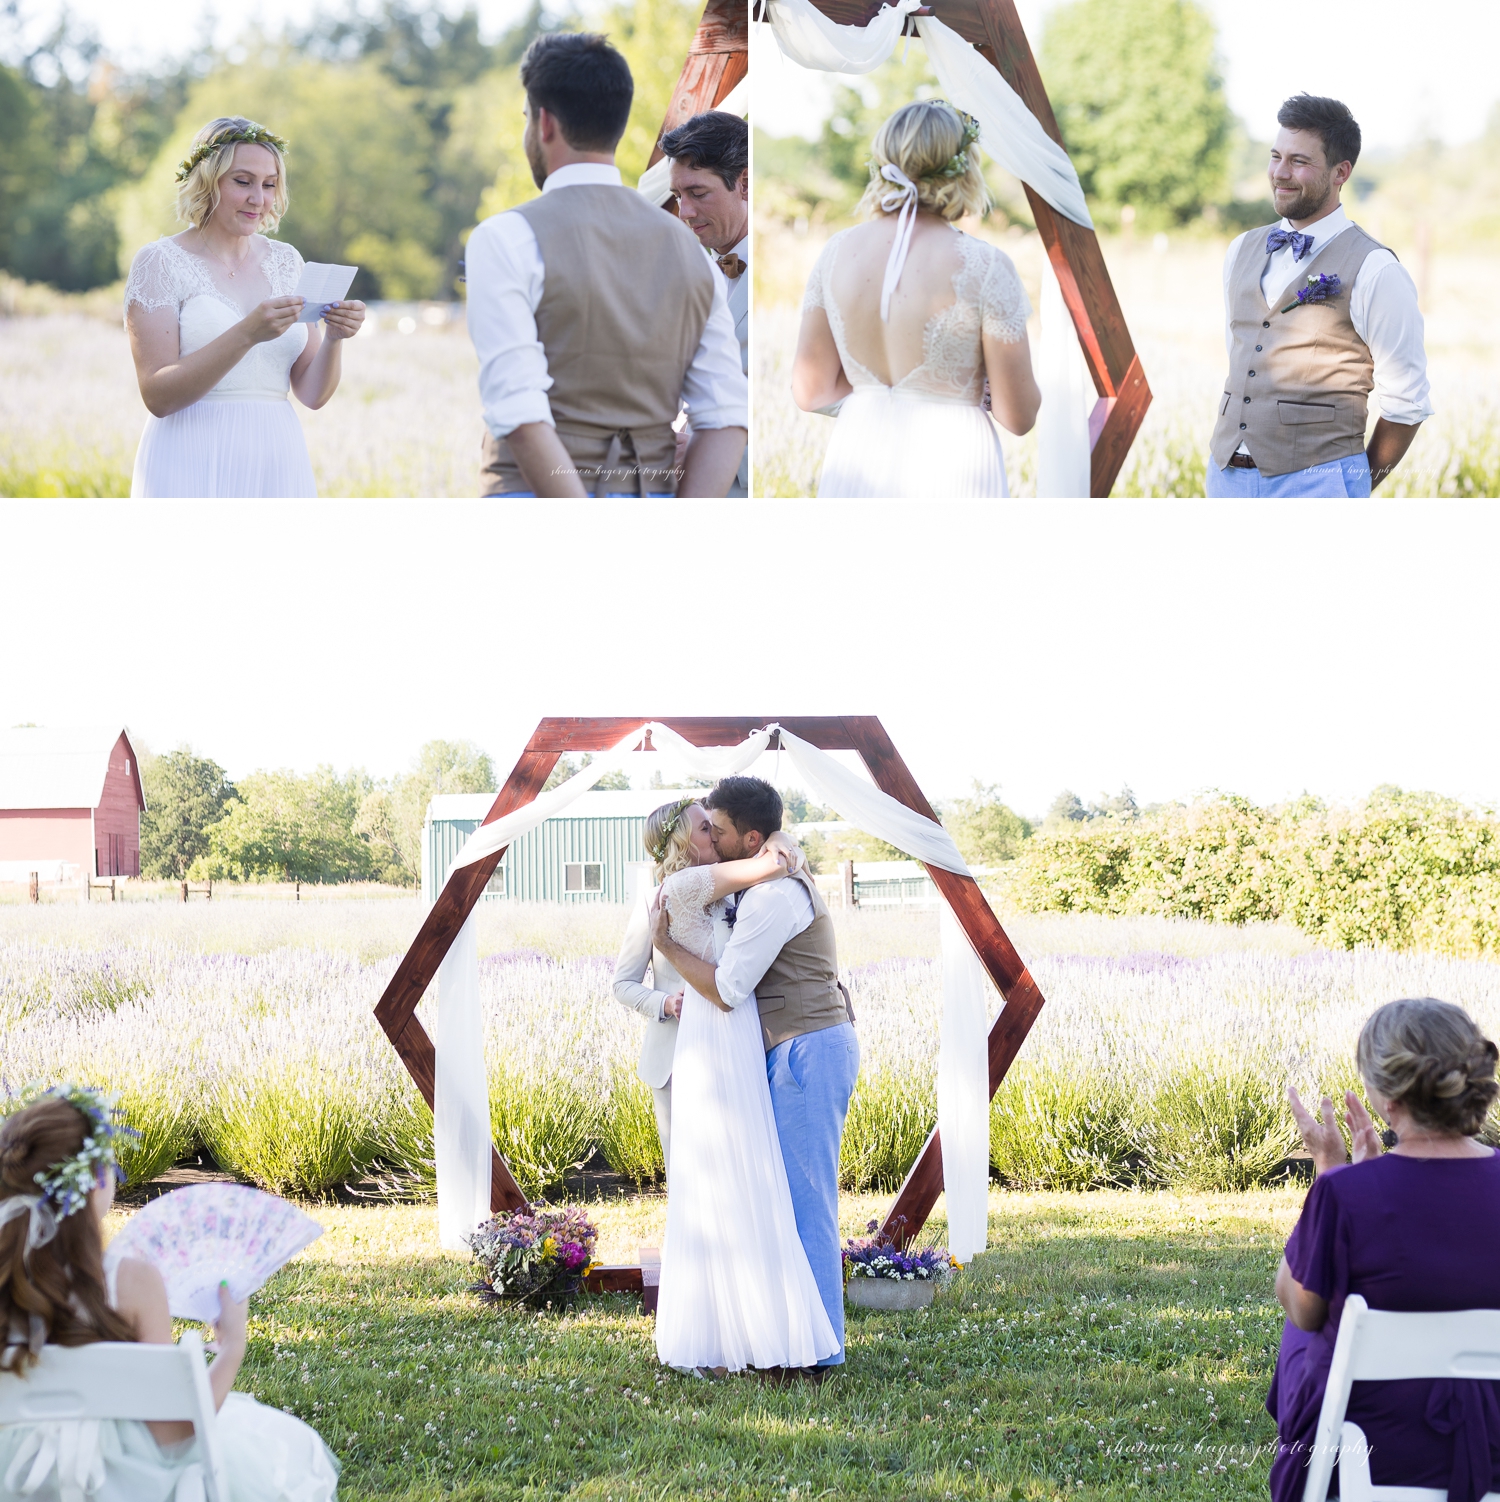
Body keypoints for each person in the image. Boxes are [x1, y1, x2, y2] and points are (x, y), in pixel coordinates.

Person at [0, 1086, 340, 1499]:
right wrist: (232, 1347)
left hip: (12, 1473)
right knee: (283, 1446)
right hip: (122, 1482)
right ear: (96, 1181)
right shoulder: (131, 1281)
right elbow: (171, 1431)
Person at [466, 32, 747, 498]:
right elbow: (726, 416)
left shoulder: (505, 237)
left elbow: (518, 411)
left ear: (544, 123)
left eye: (526, 119)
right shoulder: (690, 251)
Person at [652, 777, 859, 1378]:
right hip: (787, 1048)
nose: (711, 839)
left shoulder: (773, 897)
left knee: (807, 1204)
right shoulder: (757, 880)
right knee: (783, 1201)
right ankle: (789, 1338)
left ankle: (819, 1354)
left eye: (717, 829)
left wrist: (668, 948)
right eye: (704, 829)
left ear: (749, 839)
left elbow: (728, 988)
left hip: (806, 1048)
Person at [1268, 998, 1500, 1502]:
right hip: (1493, 1444)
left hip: (1369, 1454)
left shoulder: (1347, 1194)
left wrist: (1330, 1174)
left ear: (1388, 1096)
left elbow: (1300, 1307)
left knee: (1304, 1315)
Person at [791, 100, 1040, 498]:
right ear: (963, 167)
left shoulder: (836, 253)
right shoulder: (987, 266)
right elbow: (1019, 415)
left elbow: (810, 391)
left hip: (858, 453)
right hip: (952, 462)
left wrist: (876, 398)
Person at [123, 116, 366, 498]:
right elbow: (158, 396)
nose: (259, 199)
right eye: (243, 181)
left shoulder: (287, 262)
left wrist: (335, 337)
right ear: (208, 181)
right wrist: (247, 334)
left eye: (269, 184)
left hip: (276, 458)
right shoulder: (159, 262)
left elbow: (313, 394)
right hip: (189, 458)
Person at [1207, 94, 1432, 497]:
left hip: (1320, 484)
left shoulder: (1376, 269)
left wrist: (1353, 486)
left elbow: (1407, 403)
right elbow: (1241, 355)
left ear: (1340, 172)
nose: (1280, 173)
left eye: (1299, 161)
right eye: (1276, 156)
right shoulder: (1240, 249)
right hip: (1225, 478)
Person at [660, 110, 749, 497]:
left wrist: (703, 452)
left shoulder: (786, 277)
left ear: (745, 184)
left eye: (697, 194)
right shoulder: (683, 274)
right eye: (678, 196)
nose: (685, 212)